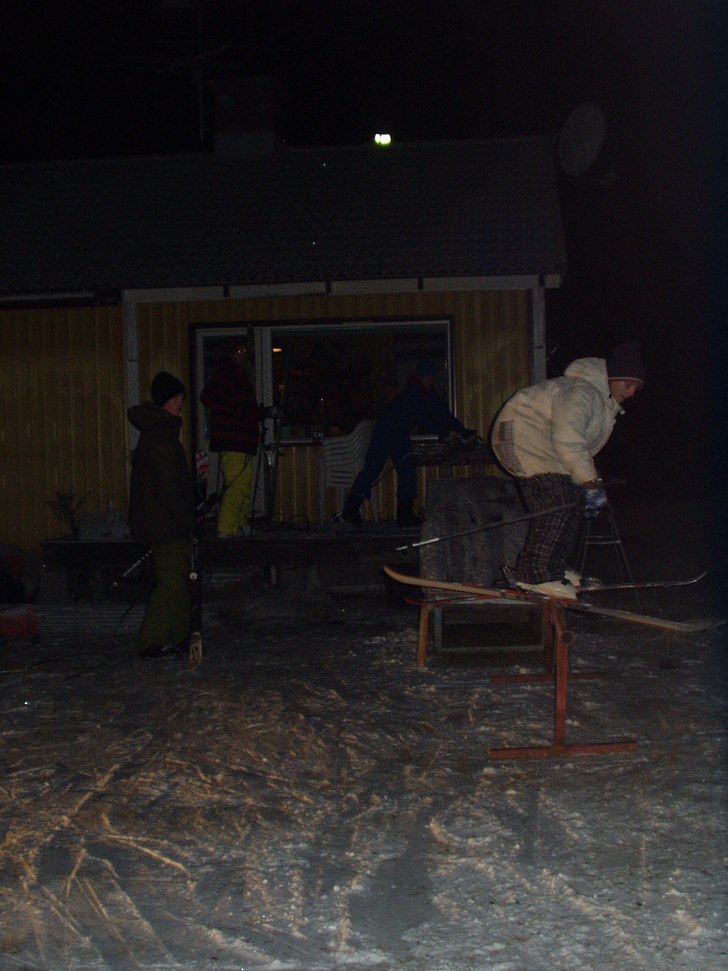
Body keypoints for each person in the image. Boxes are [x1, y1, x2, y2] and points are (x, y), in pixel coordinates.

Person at [490, 341, 645, 599]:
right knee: (559, 502)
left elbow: (575, 445)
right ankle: (538, 574)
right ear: (613, 378)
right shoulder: (582, 392)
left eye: (636, 388)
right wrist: (590, 484)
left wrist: (583, 485)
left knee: (568, 501)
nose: (631, 392)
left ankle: (550, 567)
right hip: (524, 438)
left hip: (540, 444)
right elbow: (569, 440)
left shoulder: (598, 399)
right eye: (628, 384)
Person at [342, 360, 478, 527]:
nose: (430, 380)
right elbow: (422, 417)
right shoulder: (413, 394)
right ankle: (352, 507)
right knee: (372, 469)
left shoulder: (429, 395)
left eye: (432, 377)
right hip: (385, 432)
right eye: (427, 377)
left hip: (400, 435)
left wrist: (462, 430)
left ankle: (405, 513)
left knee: (407, 471)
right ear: (420, 378)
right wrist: (442, 432)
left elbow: (442, 413)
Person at [128, 371, 197, 659]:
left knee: (178, 580)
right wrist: (187, 521)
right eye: (180, 398)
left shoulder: (162, 433)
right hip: (164, 525)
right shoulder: (161, 437)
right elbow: (169, 488)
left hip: (165, 523)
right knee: (171, 581)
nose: (182, 403)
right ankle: (152, 641)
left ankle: (176, 636)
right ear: (170, 400)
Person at [200, 339, 263, 538]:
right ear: (230, 353)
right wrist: (255, 414)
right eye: (238, 350)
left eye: (245, 350)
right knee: (237, 486)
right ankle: (226, 529)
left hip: (240, 441)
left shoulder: (232, 377)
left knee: (242, 484)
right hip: (235, 440)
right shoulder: (230, 378)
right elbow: (240, 408)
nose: (242, 354)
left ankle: (238, 524)